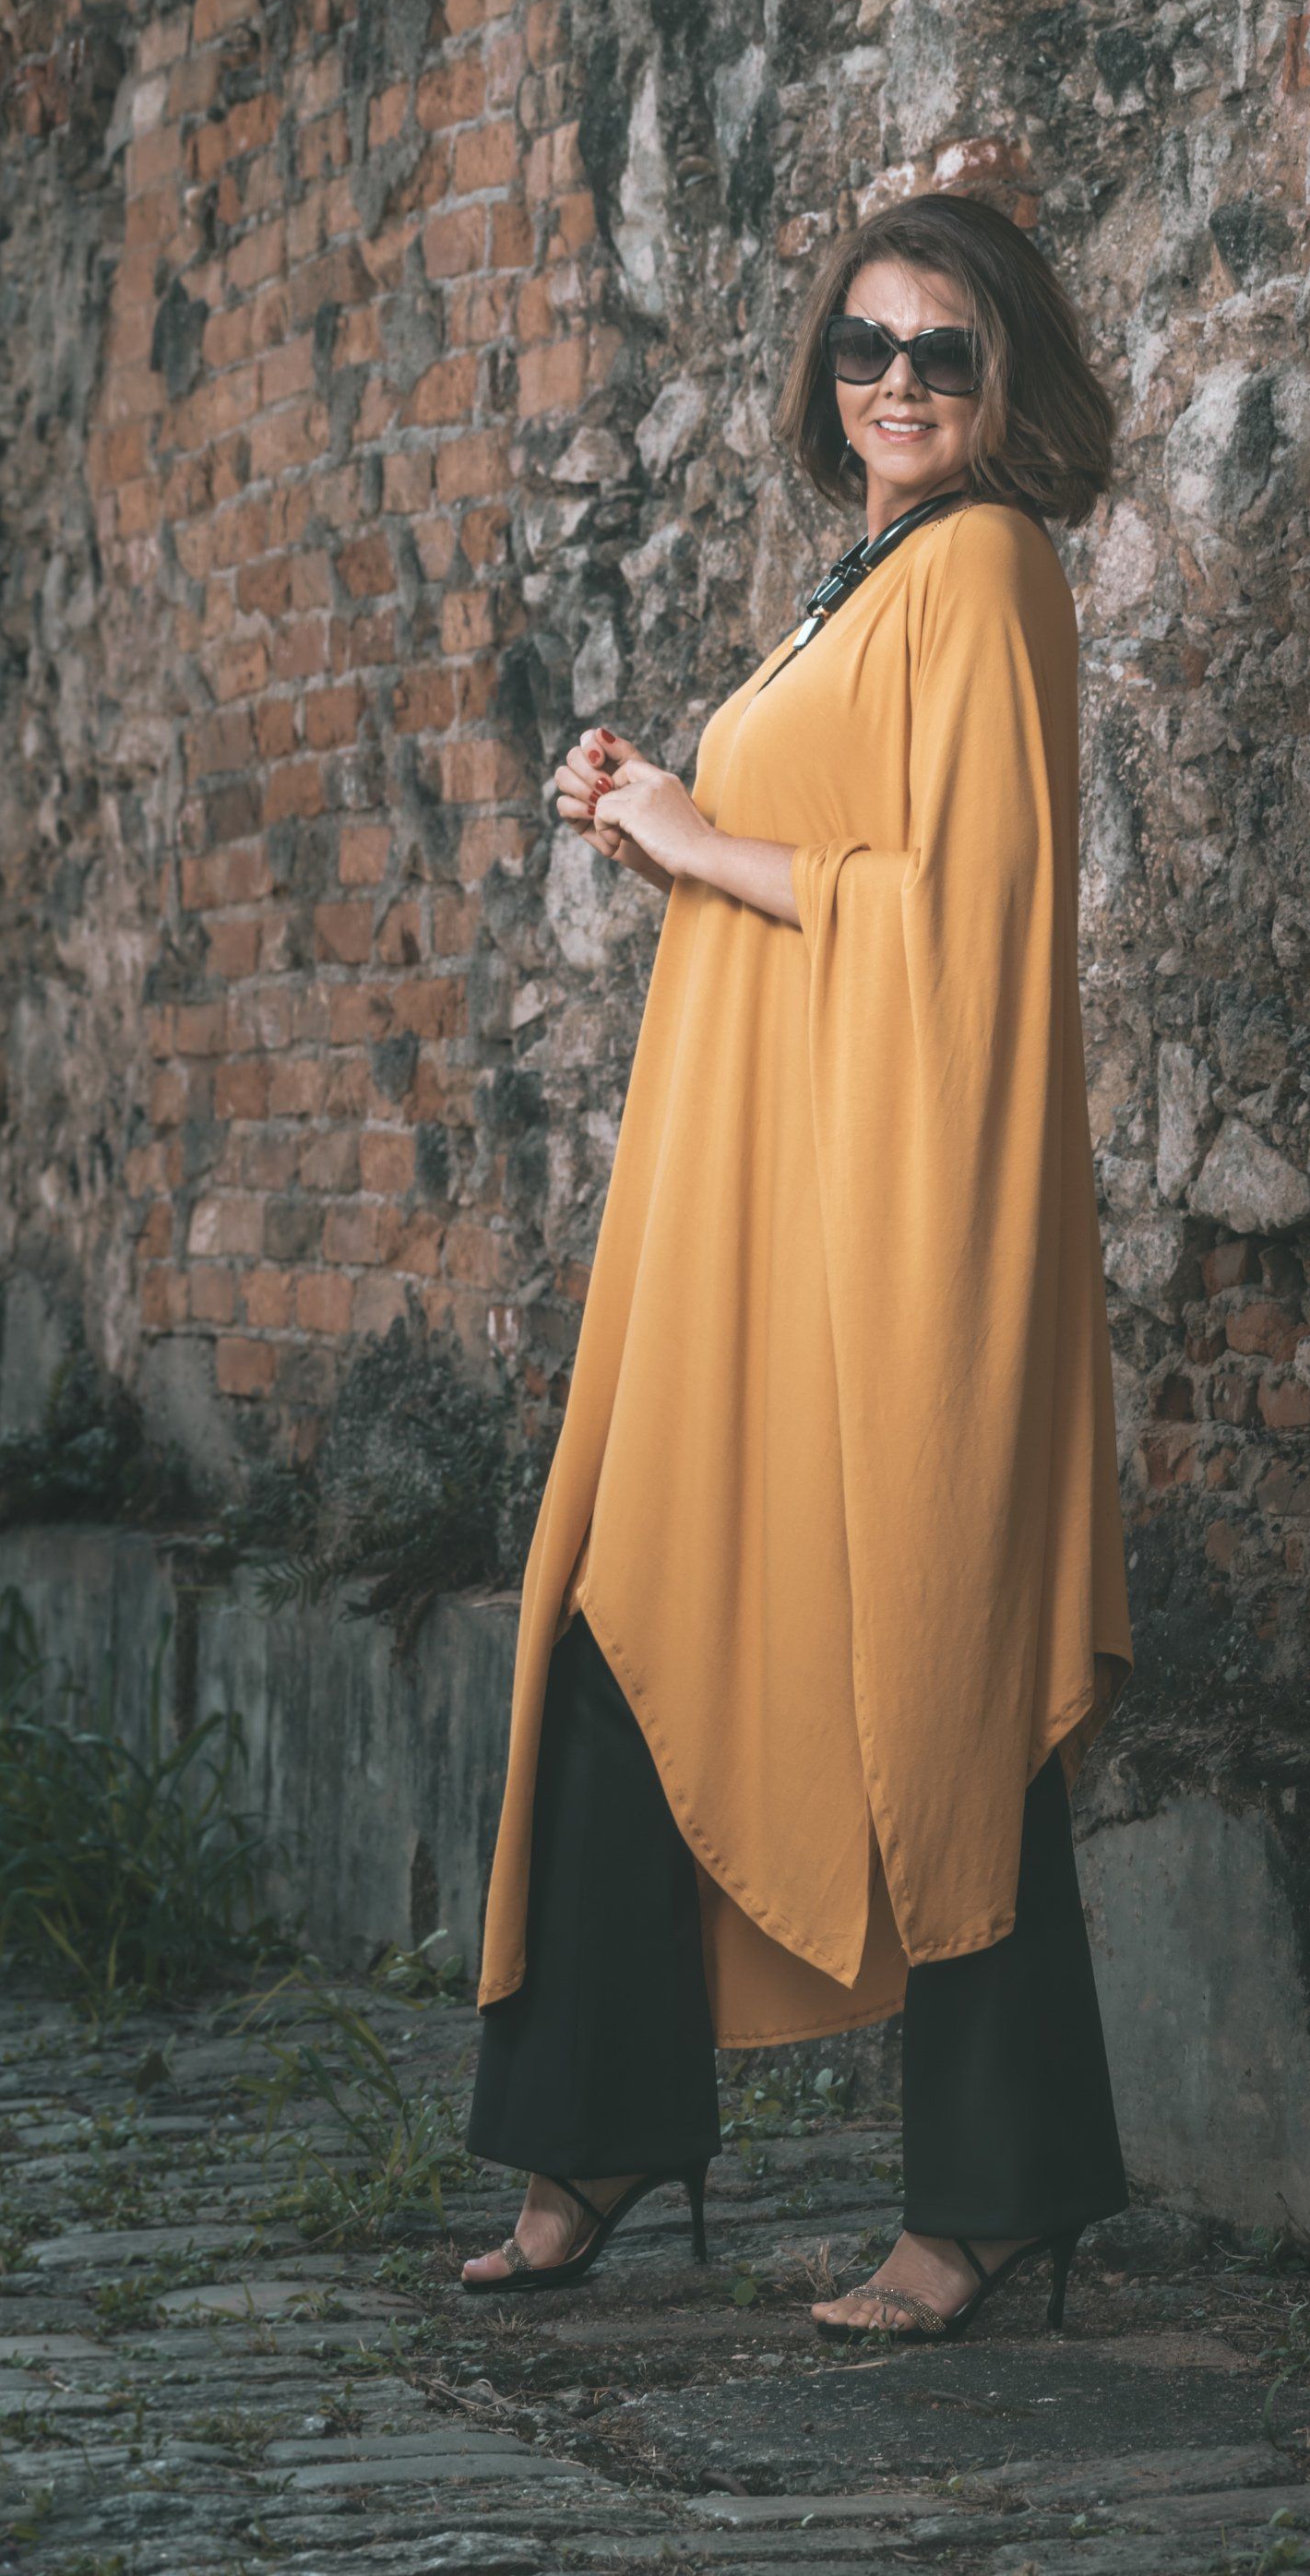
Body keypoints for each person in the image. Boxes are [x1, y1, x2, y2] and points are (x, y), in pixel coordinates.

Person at [459, 188, 1137, 2342]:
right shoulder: (859, 584)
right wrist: (657, 802)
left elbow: (956, 917)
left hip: (889, 1218)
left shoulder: (990, 570)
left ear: (1005, 373)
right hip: (753, 1206)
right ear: (822, 370)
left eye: (944, 350)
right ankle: (597, 2128)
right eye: (866, 345)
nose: (899, 384)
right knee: (620, 1610)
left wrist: (688, 833)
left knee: (949, 1662)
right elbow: (819, 862)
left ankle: (994, 2202)